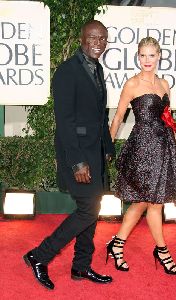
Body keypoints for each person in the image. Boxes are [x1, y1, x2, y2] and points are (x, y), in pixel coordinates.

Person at [23, 20, 115, 290]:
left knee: (93, 209)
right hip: (76, 154)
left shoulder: (97, 69)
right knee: (88, 210)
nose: (97, 43)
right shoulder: (67, 72)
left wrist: (107, 147)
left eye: (102, 39)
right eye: (93, 38)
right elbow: (64, 121)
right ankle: (39, 256)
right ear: (81, 38)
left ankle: (81, 266)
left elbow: (100, 117)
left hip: (95, 153)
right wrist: (77, 161)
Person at [106, 37, 176, 275]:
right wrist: (107, 146)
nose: (146, 60)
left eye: (151, 55)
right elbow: (118, 117)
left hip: (163, 148)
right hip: (142, 148)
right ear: (137, 57)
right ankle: (162, 251)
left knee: (147, 202)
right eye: (142, 55)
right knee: (147, 202)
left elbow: (168, 118)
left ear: (159, 56)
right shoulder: (132, 84)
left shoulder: (164, 84)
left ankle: (116, 245)